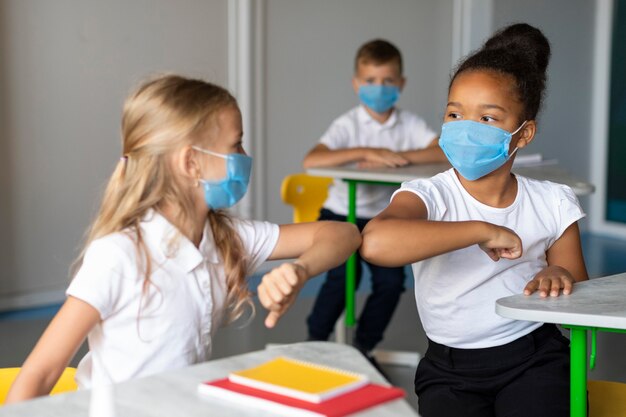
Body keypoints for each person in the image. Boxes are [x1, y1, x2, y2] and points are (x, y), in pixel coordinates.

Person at [6, 75, 360, 403]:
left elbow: (343, 233)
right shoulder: (119, 256)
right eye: (236, 144)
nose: (245, 157)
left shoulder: (227, 238)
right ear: (191, 162)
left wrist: (300, 269)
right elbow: (41, 371)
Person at [361, 24, 588, 417]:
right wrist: (481, 231)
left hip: (535, 356)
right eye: (455, 113)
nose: (466, 128)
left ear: (523, 134)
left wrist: (557, 272)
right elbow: (376, 243)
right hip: (449, 371)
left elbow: (578, 285)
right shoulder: (429, 195)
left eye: (487, 118)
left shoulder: (553, 201)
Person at [303, 39, 446, 364]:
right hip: (341, 214)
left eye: (387, 81)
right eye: (370, 81)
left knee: (391, 281)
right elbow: (312, 159)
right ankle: (313, 342)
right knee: (341, 278)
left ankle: (363, 347)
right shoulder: (348, 124)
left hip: (384, 219)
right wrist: (367, 151)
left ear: (401, 84)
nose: (378, 88)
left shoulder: (408, 124)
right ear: (357, 84)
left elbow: (441, 152)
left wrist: (395, 158)